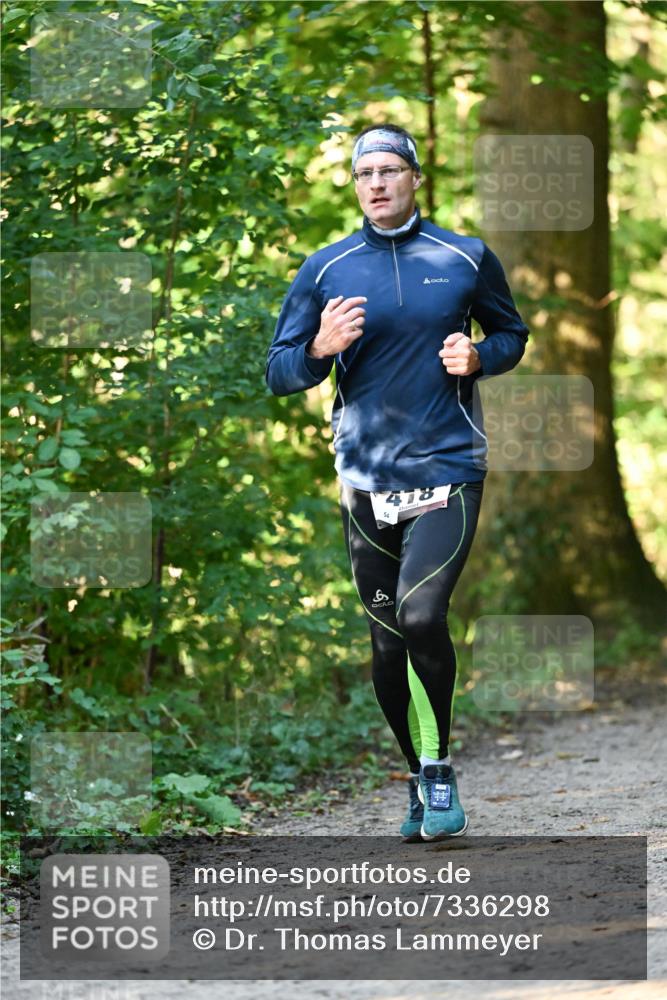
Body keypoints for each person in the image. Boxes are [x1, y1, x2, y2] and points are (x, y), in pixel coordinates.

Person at [265, 124, 529, 841]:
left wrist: (477, 358)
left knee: (419, 616)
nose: (376, 183)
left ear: (415, 176)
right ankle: (417, 777)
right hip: (363, 479)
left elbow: (511, 335)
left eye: (389, 170)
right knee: (385, 642)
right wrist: (320, 348)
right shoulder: (326, 269)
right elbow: (278, 371)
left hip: (446, 468)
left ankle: (440, 772)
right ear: (354, 185)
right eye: (363, 174)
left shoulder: (464, 256)